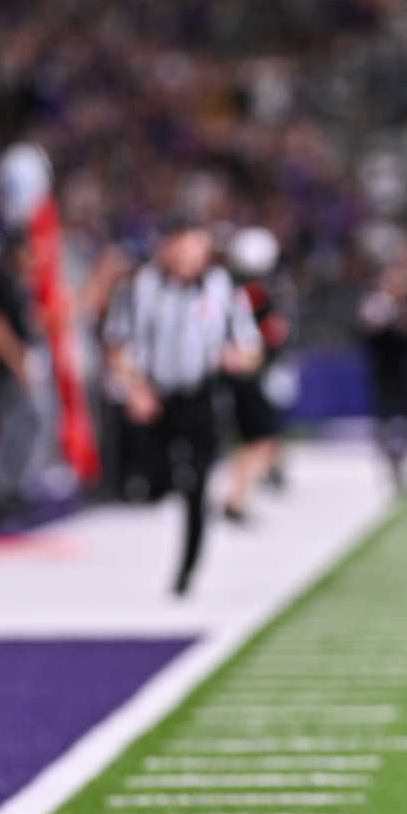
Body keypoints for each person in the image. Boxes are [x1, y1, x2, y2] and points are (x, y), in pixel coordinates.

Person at [104, 220, 261, 595]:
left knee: (197, 484)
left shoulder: (223, 289)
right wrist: (136, 389)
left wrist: (237, 359)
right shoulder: (140, 287)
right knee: (153, 483)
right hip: (156, 397)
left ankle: (187, 569)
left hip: (200, 396)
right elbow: (117, 345)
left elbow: (251, 349)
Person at [220, 226, 292, 522]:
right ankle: (236, 499)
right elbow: (264, 337)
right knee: (261, 438)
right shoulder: (252, 294)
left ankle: (240, 495)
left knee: (260, 438)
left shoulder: (238, 289)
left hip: (250, 372)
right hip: (249, 373)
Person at [357, 261, 407, 494]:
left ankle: (404, 466)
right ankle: (393, 466)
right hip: (385, 374)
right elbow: (368, 336)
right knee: (387, 424)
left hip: (404, 374)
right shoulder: (375, 308)